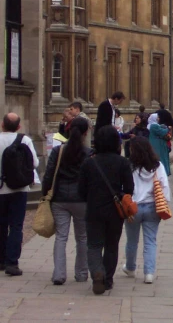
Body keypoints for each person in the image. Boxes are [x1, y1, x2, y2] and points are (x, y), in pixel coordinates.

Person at [78, 125, 134, 295]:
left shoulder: (89, 162)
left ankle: (97, 272)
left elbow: (81, 191)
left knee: (94, 245)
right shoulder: (123, 162)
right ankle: (107, 280)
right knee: (111, 246)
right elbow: (130, 189)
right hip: (115, 213)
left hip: (94, 211)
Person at [42, 117, 91, 285]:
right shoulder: (88, 153)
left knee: (61, 237)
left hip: (60, 198)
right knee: (82, 238)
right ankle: (82, 274)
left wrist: (45, 194)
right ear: (85, 132)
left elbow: (49, 175)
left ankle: (59, 274)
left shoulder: (58, 151)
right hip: (81, 200)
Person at [121, 137, 170, 284]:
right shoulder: (157, 166)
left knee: (132, 240)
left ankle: (130, 268)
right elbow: (164, 186)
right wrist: (165, 203)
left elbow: (124, 188)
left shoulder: (129, 166)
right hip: (152, 207)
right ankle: (149, 273)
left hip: (133, 207)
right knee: (150, 241)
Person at [0, 113, 39, 277]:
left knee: (1, 225)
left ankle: (1, 260)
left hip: (1, 188)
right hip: (19, 188)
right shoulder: (25, 140)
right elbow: (35, 163)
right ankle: (12, 262)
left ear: (2, 125)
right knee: (16, 226)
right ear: (18, 127)